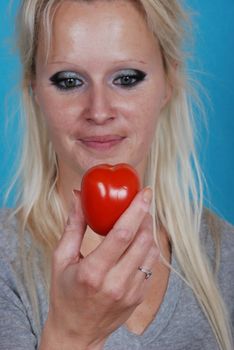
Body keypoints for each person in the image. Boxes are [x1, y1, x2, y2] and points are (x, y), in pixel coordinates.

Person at [0, 0, 233, 349]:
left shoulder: (223, 253)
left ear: (168, 82)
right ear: (34, 89)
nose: (99, 110)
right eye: (69, 81)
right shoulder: (6, 262)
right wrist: (70, 335)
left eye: (126, 78)